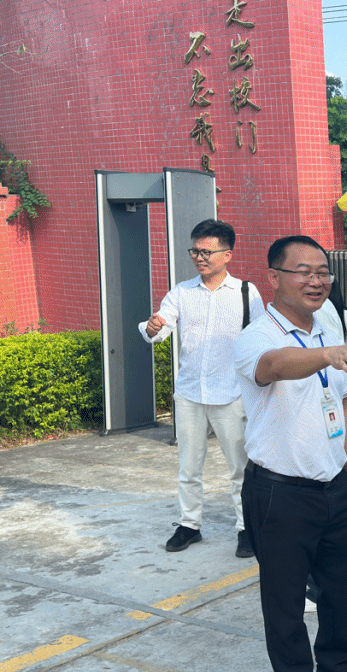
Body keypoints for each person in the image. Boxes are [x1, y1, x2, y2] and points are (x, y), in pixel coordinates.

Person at [234, 235, 347, 672]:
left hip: (337, 486)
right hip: (280, 492)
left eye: (322, 271)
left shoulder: (328, 328)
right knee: (284, 602)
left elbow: (343, 404)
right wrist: (329, 354)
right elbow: (275, 367)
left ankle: (339, 669)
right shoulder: (256, 336)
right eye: (302, 271)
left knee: (344, 589)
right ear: (274, 278)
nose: (316, 280)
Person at [138, 219, 265, 558]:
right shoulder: (181, 292)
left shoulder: (246, 292)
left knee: (240, 468)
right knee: (189, 467)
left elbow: (260, 338)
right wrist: (152, 328)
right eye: (195, 251)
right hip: (190, 393)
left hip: (231, 393)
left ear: (228, 254)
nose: (199, 258)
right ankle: (189, 525)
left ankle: (246, 529)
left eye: (207, 252)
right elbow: (160, 327)